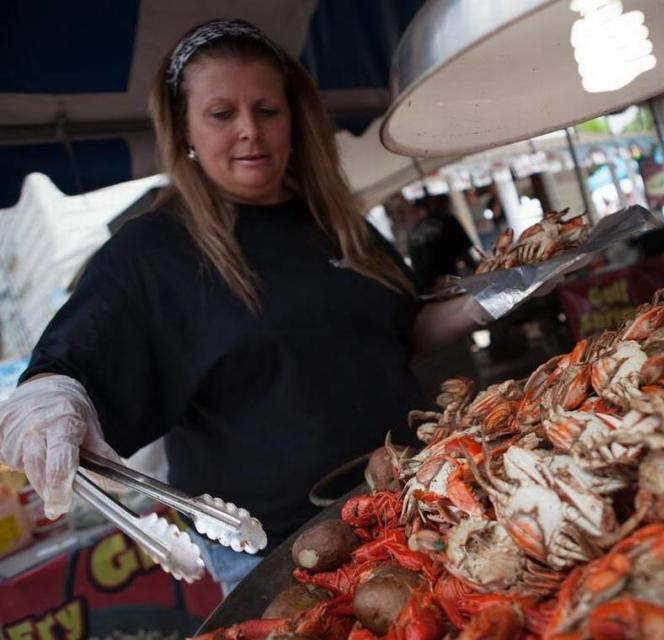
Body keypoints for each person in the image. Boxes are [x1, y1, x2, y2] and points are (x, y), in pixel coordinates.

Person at [0, 19, 492, 596]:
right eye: (221, 114)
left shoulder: (335, 223)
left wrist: (492, 297)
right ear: (184, 127)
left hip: (414, 496)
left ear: (294, 119)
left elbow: (404, 332)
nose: (249, 132)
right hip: (281, 548)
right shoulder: (154, 249)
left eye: (266, 110)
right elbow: (75, 358)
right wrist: (51, 397)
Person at [406, 194, 477, 291]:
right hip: (443, 281)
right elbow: (465, 253)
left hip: (423, 285)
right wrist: (480, 273)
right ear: (446, 204)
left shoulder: (417, 228)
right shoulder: (448, 220)